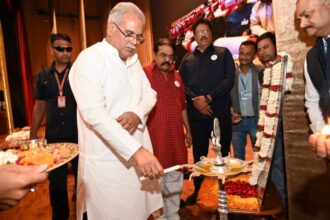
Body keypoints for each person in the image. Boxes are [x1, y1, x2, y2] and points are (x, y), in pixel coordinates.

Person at [69, 2, 164, 220]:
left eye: (138, 37)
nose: (133, 43)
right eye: (129, 34)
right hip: (107, 167)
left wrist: (137, 114)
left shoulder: (133, 61)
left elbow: (150, 95)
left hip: (135, 161)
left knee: (138, 213)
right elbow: (94, 114)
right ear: (111, 27)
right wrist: (137, 151)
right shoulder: (90, 59)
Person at [179, 18, 235, 204]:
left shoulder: (223, 53)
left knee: (223, 153)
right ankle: (198, 191)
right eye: (199, 32)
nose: (202, 34)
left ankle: (223, 190)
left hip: (219, 114)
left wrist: (208, 98)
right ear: (194, 36)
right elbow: (181, 85)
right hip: (197, 117)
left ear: (211, 34)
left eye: (206, 31)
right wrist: (196, 100)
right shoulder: (187, 59)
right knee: (199, 156)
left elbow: (228, 80)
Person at [30, 33, 78, 220]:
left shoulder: (77, 72)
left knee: (82, 179)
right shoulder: (43, 76)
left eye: (68, 49)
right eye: (60, 48)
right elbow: (40, 105)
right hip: (54, 138)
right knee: (56, 184)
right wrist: (33, 132)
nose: (65, 52)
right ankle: (60, 216)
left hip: (78, 134)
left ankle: (84, 213)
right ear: (52, 50)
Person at [144, 38, 192, 219]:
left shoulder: (177, 76)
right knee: (157, 182)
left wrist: (188, 130)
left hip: (176, 139)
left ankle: (173, 214)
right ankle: (161, 217)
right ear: (155, 55)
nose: (167, 60)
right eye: (163, 55)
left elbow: (183, 106)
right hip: (154, 139)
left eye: (171, 57)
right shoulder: (145, 74)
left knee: (175, 177)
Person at [256, 32, 289, 207]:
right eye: (259, 50)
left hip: (289, 129)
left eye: (266, 47)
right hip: (272, 130)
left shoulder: (287, 67)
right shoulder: (263, 74)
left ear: (277, 47)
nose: (262, 52)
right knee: (275, 169)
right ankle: (282, 209)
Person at [296, 0, 330, 158]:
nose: (302, 24)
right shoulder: (311, 57)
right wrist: (322, 134)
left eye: (307, 15)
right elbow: (312, 100)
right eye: (299, 19)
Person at [231, 40, 260, 160]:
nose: (244, 57)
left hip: (256, 121)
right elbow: (227, 96)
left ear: (254, 56)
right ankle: (239, 180)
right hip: (237, 122)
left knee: (260, 156)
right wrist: (230, 111)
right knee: (238, 159)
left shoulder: (260, 72)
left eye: (248, 54)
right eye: (241, 53)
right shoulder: (231, 75)